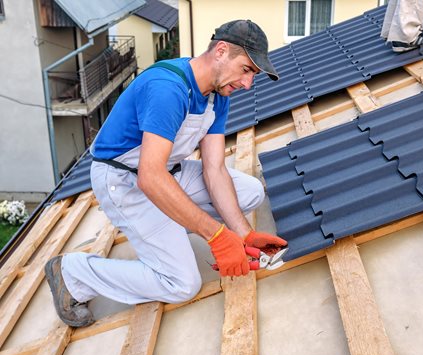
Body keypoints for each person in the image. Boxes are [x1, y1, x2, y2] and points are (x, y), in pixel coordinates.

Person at [44, 20, 288, 328]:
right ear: (221, 51)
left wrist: (242, 235)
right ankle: (73, 272)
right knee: (182, 283)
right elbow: (149, 177)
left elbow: (214, 170)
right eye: (246, 70)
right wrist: (215, 235)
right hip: (124, 181)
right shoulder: (167, 89)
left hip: (167, 172)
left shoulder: (217, 94)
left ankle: (170, 223)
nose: (247, 83)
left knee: (250, 192)